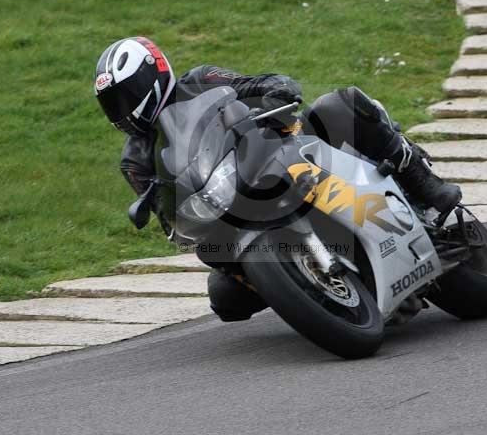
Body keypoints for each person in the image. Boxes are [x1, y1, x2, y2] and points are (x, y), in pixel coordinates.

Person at [94, 37, 461, 321]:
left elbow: (259, 83)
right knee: (224, 296)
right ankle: (310, 288)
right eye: (113, 103)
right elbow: (165, 213)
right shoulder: (134, 161)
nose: (122, 110)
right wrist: (169, 214)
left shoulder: (201, 80)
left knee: (341, 104)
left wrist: (276, 92)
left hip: (275, 155)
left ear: (151, 75)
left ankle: (418, 178)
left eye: (125, 96)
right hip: (228, 208)